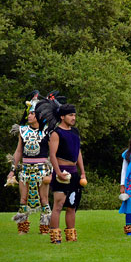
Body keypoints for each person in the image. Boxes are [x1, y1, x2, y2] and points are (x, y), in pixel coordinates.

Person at [7, 92, 53, 234]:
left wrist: (52, 170)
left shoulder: (47, 131)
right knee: (23, 198)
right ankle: (23, 228)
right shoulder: (23, 131)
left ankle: (45, 227)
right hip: (25, 169)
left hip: (42, 169)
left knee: (44, 199)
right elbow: (18, 151)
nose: (29, 116)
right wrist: (12, 170)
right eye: (29, 113)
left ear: (39, 115)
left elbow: (53, 152)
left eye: (32, 113)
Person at [47, 103, 86, 244]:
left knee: (72, 205)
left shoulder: (75, 132)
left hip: (74, 173)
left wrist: (83, 173)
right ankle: (55, 236)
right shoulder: (56, 133)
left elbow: (78, 153)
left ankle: (71, 235)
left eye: (74, 115)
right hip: (62, 171)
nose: (73, 118)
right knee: (58, 204)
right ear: (62, 116)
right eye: (70, 115)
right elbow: (52, 155)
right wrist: (58, 173)